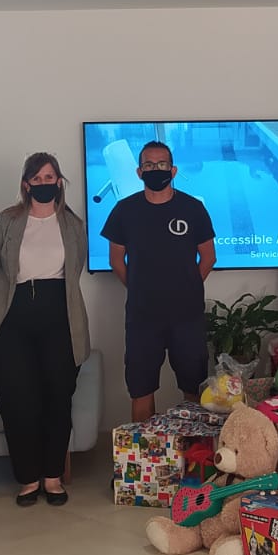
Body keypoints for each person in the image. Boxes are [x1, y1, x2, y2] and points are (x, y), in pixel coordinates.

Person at [0, 152, 93, 506]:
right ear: (26, 184)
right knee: (17, 403)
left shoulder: (73, 225)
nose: (44, 184)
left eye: (50, 177)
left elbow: (75, 270)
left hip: (60, 320)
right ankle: (27, 478)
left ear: (60, 181)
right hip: (11, 321)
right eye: (36, 178)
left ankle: (53, 478)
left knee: (57, 399)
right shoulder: (5, 222)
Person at [103, 140, 215, 421]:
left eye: (162, 164)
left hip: (186, 316)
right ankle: (143, 464)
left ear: (174, 170)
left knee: (193, 389)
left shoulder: (193, 209)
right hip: (143, 318)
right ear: (139, 172)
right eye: (149, 165)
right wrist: (140, 288)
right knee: (141, 390)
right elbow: (116, 260)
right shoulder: (123, 211)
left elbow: (209, 257)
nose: (156, 169)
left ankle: (193, 461)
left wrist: (187, 285)